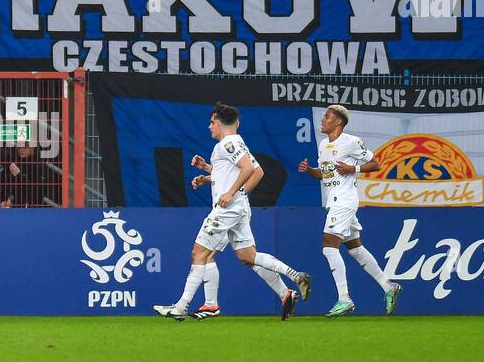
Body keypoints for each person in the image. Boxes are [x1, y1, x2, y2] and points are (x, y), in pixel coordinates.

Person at [154, 103, 312, 321]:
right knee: (248, 257)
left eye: (211, 122)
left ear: (218, 121)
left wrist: (230, 193)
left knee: (199, 253)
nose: (209, 127)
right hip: (236, 208)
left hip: (226, 210)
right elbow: (256, 172)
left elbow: (250, 170)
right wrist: (208, 173)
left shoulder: (228, 143)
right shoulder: (235, 143)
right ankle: (292, 282)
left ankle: (182, 307)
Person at [297, 104, 402, 317]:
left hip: (344, 200)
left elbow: (376, 164)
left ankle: (344, 299)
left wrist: (352, 169)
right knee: (355, 248)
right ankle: (388, 286)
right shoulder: (324, 145)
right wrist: (309, 171)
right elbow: (326, 174)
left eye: (327, 117)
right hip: (334, 200)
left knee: (328, 246)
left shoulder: (352, 142)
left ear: (338, 122)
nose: (323, 120)